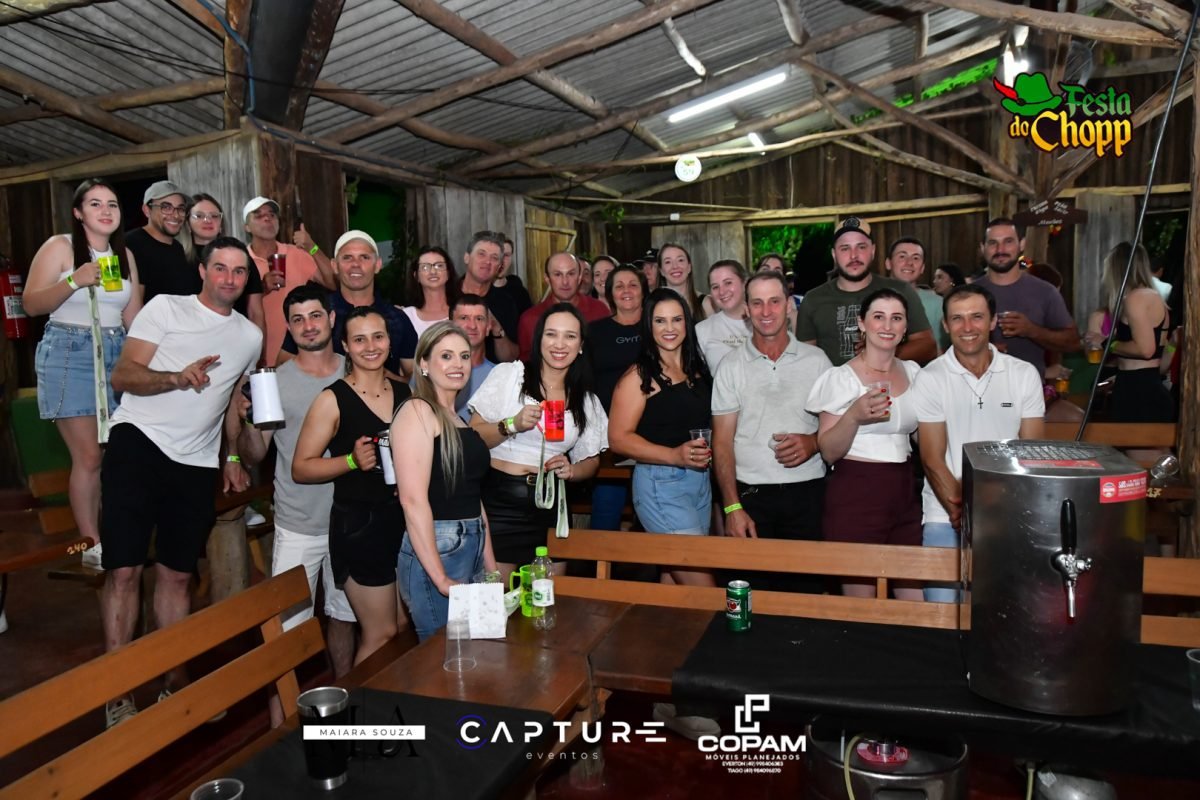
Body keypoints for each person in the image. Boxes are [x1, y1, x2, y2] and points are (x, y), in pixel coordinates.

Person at [98, 236, 261, 728]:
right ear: (203, 271)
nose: (229, 278)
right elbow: (123, 376)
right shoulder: (166, 308)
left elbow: (231, 401)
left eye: (239, 271)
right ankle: (116, 692)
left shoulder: (249, 336)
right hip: (138, 443)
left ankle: (175, 681)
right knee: (124, 571)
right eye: (220, 268)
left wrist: (232, 454)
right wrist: (176, 377)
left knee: (178, 574)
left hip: (195, 463)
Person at [236, 284, 356, 675]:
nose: (308, 326)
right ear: (288, 327)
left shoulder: (356, 371)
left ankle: (345, 699)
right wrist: (248, 420)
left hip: (350, 522)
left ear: (332, 319)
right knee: (287, 632)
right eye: (298, 320)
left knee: (344, 619)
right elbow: (255, 455)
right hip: (297, 524)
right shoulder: (274, 383)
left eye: (316, 315)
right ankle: (282, 711)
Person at [25, 178, 142, 551]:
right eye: (95, 204)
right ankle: (92, 543)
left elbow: (134, 318)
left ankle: (118, 532)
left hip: (116, 351)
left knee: (117, 453)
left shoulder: (124, 255)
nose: (105, 210)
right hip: (69, 352)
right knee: (89, 455)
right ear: (78, 213)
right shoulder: (60, 247)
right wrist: (74, 281)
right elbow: (31, 304)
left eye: (112, 204)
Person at [292, 307, 412, 665]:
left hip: (401, 523)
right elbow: (301, 467)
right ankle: (357, 703)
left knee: (401, 627)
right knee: (381, 633)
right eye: (359, 339)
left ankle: (386, 700)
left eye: (378, 337)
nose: (370, 346)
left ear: (389, 342)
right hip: (359, 527)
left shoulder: (404, 392)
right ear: (345, 345)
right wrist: (350, 461)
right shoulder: (332, 399)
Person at [913, 284, 1045, 602]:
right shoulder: (930, 378)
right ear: (945, 326)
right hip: (945, 516)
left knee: (1000, 612)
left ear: (993, 320)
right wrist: (964, 511)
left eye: (976, 316)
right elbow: (932, 458)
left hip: (1007, 516)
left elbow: (1030, 453)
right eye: (957, 318)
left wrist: (992, 512)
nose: (967, 327)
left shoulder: (1023, 374)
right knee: (942, 614)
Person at [712, 271, 830, 592]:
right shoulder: (730, 366)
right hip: (751, 498)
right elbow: (721, 444)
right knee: (750, 596)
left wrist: (814, 442)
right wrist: (732, 508)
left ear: (789, 305)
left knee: (806, 597)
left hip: (807, 494)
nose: (766, 311)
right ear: (746, 310)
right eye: (757, 303)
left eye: (775, 301)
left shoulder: (818, 361)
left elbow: (837, 429)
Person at [468, 304, 607, 574]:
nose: (559, 344)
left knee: (547, 594)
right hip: (500, 502)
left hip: (551, 504)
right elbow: (474, 437)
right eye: (551, 334)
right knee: (497, 594)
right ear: (539, 339)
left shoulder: (586, 400)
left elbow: (591, 461)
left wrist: (572, 470)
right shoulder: (511, 376)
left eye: (570, 336)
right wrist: (512, 424)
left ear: (580, 345)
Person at [807, 287, 923, 600]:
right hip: (857, 492)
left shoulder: (915, 374)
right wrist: (854, 416)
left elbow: (922, 438)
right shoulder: (841, 378)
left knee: (914, 601)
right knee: (862, 606)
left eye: (896, 318)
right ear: (862, 323)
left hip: (905, 490)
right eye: (878, 317)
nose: (887, 326)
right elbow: (828, 451)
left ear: (905, 327)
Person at [394, 323, 498, 640]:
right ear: (423, 364)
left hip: (472, 543)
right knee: (444, 656)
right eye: (446, 356)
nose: (458, 364)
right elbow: (412, 501)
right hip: (438, 548)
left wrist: (491, 566)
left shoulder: (457, 418)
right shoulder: (417, 410)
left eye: (464, 356)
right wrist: (439, 578)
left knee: (480, 648)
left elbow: (472, 496)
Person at [609, 288, 716, 587]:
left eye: (676, 319)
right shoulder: (639, 376)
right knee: (702, 587)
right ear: (649, 325)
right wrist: (673, 455)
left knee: (674, 582)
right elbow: (617, 438)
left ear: (687, 323)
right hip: (661, 485)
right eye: (660, 321)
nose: (669, 328)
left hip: (700, 481)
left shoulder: (696, 368)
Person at [797, 217, 936, 367]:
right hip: (834, 381)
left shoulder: (900, 291)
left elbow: (928, 346)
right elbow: (804, 359)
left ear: (873, 251)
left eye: (861, 247)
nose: (854, 255)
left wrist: (883, 352)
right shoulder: (813, 300)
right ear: (834, 255)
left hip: (889, 381)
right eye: (845, 248)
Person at [279, 231, 418, 379]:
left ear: (377, 265)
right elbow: (283, 365)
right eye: (347, 258)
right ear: (334, 266)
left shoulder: (397, 318)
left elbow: (420, 373)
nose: (356, 264)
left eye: (364, 257)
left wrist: (386, 378)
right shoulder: (317, 313)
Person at [972, 218, 1080, 372]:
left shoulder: (1045, 292)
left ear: (1021, 244)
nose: (1000, 249)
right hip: (976, 384)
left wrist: (1031, 330)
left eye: (1008, 242)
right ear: (983, 248)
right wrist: (983, 350)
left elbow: (1073, 342)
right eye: (993, 243)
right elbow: (948, 348)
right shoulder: (967, 294)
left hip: (1030, 385)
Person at [587, 264, 647, 531]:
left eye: (633, 284)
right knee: (606, 507)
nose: (626, 291)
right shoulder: (594, 332)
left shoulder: (659, 327)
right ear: (610, 293)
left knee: (652, 513)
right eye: (619, 286)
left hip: (653, 432)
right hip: (607, 436)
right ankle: (601, 554)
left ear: (643, 290)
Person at [243, 196, 335, 366]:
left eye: (272, 215)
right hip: (256, 359)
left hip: (298, 359)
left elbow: (333, 282)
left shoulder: (295, 254)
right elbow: (231, 307)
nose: (267, 218)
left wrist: (312, 246)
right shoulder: (241, 260)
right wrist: (261, 288)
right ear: (246, 227)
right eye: (258, 215)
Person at [1090, 241, 1173, 422]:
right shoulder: (1152, 297)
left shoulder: (1136, 298)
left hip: (1139, 392)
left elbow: (1145, 350)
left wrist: (1105, 342)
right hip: (1144, 385)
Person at [180, 193, 265, 331]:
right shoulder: (177, 259)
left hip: (235, 334)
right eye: (199, 216)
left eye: (214, 216)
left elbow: (255, 312)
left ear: (221, 224)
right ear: (187, 224)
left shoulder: (240, 256)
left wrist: (258, 342)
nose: (208, 220)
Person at [516, 252, 609, 361]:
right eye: (558, 274)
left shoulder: (599, 311)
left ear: (579, 277)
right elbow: (526, 364)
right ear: (547, 278)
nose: (565, 282)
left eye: (571, 274)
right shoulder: (529, 319)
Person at [125, 180, 189, 306]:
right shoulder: (131, 244)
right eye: (166, 207)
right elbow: (132, 307)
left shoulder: (178, 248)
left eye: (181, 209)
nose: (176, 215)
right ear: (147, 210)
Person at [460, 230, 519, 362]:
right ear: (467, 257)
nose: (487, 261)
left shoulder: (505, 302)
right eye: (481, 254)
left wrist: (497, 329)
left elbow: (511, 358)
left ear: (499, 267)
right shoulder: (447, 294)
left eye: (494, 258)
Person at [886, 237, 942, 354]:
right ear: (888, 263)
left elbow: (940, 348)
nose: (909, 263)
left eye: (916, 258)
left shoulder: (938, 303)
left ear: (922, 268)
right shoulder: (872, 300)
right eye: (902, 256)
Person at [695, 260, 750, 371]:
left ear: (744, 283)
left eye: (728, 283)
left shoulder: (766, 321)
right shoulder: (702, 329)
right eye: (715, 287)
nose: (722, 291)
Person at [450, 293, 496, 421]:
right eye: (464, 318)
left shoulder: (499, 375)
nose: (472, 326)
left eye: (479, 319)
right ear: (450, 325)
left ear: (488, 327)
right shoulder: (431, 370)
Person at [401, 246, 459, 338]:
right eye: (425, 267)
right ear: (416, 276)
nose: (433, 271)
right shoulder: (406, 316)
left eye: (439, 266)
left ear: (448, 273)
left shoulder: (463, 311)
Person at [659, 243, 708, 322]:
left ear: (689, 267)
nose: (675, 266)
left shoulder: (706, 304)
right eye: (668, 262)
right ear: (661, 271)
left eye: (680, 260)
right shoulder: (653, 305)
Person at [493, 233, 533, 319]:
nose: (502, 261)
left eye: (506, 255)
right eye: (497, 255)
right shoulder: (480, 292)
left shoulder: (520, 293)